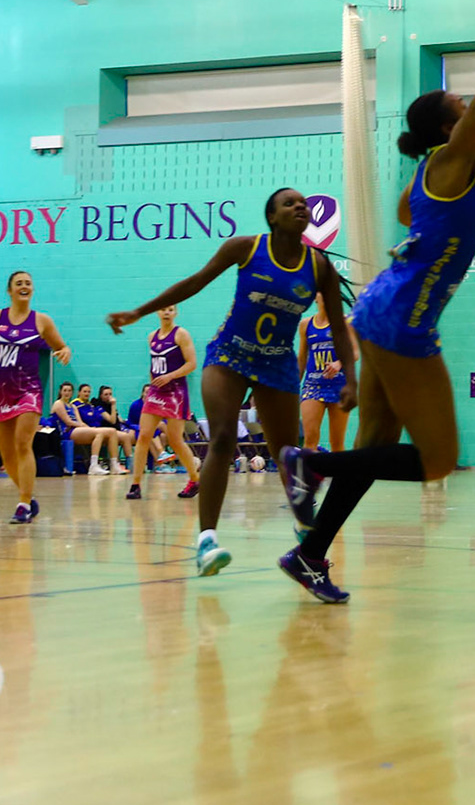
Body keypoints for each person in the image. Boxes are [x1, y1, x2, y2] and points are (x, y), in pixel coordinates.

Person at [272, 0, 475, 602]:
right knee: (437, 460)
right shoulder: (456, 156)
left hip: (379, 308)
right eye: (461, 101)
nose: (471, 101)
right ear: (450, 123)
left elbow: (414, 220)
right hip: (403, 321)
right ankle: (309, 461)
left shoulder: (429, 174)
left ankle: (310, 555)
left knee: (376, 443)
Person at [107, 187, 355, 577]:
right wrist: (139, 312)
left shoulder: (319, 266)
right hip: (229, 355)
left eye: (303, 203)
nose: (300, 206)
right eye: (289, 202)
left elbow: (339, 327)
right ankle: (207, 541)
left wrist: (351, 378)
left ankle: (305, 532)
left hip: (277, 363)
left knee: (287, 453)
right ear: (271, 216)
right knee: (222, 438)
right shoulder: (246, 247)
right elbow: (195, 281)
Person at [0, 270, 70, 524]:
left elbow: (61, 346)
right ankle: (28, 498)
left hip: (28, 390)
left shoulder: (42, 321)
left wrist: (65, 351)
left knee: (22, 443)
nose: (24, 286)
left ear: (32, 289)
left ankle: (22, 504)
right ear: (10, 290)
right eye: (19, 283)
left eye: (28, 283)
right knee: (7, 456)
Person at [126, 304, 200, 501]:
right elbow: (153, 365)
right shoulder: (151, 336)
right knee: (144, 436)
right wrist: (154, 382)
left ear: (175, 313)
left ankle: (194, 479)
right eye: (163, 309)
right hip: (156, 392)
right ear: (158, 312)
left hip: (176, 392)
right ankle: (136, 484)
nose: (167, 312)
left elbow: (192, 364)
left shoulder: (181, 334)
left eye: (171, 309)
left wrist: (170, 376)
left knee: (175, 440)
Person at [297, 300, 354, 452]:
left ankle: (338, 469)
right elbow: (302, 358)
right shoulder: (305, 324)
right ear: (316, 297)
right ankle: (308, 468)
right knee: (310, 440)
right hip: (312, 385)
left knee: (337, 443)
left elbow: (354, 352)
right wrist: (292, 387)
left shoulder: (345, 321)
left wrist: (339, 363)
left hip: (339, 386)